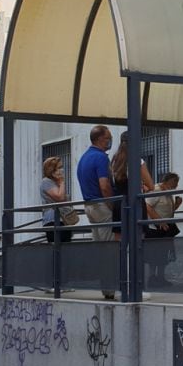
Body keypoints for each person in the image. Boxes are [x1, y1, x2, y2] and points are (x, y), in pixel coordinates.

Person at [77, 125, 116, 299]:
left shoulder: (84, 158)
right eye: (108, 137)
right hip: (102, 206)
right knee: (110, 249)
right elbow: (104, 185)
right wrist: (112, 205)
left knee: (101, 248)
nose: (110, 141)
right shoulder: (101, 158)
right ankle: (110, 288)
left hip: (89, 206)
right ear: (101, 139)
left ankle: (106, 288)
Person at [108, 131, 154, 238]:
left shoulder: (115, 161)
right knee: (138, 240)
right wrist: (143, 186)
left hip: (120, 203)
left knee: (120, 242)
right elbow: (151, 185)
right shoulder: (137, 161)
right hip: (135, 203)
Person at [144, 173, 183, 287]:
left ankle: (160, 277)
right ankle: (152, 278)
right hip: (155, 228)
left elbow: (167, 210)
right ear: (169, 181)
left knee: (164, 254)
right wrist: (159, 221)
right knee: (154, 255)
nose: (176, 185)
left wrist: (177, 205)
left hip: (166, 227)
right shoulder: (157, 190)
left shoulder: (168, 192)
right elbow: (147, 206)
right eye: (175, 182)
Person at [40, 156, 73, 243]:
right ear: (52, 170)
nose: (61, 170)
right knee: (58, 249)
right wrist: (62, 182)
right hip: (53, 221)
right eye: (59, 167)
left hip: (63, 220)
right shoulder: (46, 182)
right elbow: (60, 198)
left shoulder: (56, 182)